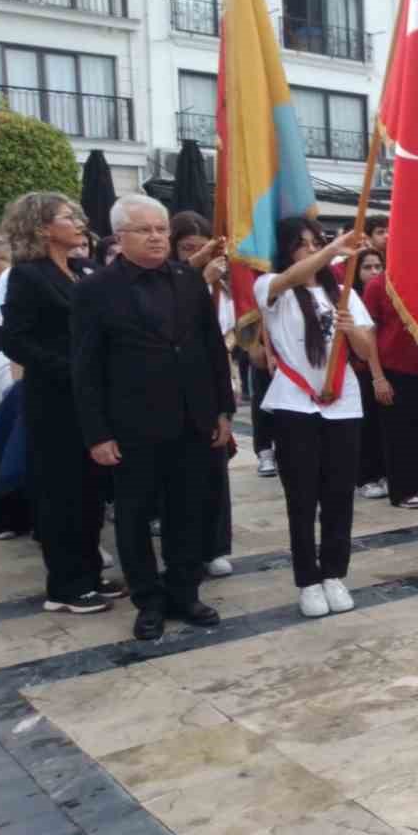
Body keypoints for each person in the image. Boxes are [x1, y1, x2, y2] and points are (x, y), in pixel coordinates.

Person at [71, 196, 235, 639]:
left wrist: (223, 409)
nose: (157, 237)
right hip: (132, 426)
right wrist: (97, 434)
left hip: (191, 420)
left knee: (188, 511)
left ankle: (185, 591)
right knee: (134, 516)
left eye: (161, 229)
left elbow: (211, 348)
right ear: (120, 237)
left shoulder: (188, 279)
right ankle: (148, 599)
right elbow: (85, 368)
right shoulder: (94, 289)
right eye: (145, 230)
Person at [0, 194, 116, 615]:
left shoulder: (83, 269)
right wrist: (69, 368)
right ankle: (66, 586)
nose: (80, 223)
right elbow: (13, 339)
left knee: (89, 491)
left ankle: (89, 572)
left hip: (90, 400)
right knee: (60, 493)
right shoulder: (28, 277)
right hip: (53, 401)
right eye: (69, 218)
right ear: (43, 227)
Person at [256, 218, 374, 618]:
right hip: (295, 406)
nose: (310, 250)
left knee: (339, 495)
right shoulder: (274, 287)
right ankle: (307, 579)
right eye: (301, 244)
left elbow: (366, 347)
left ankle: (334, 574)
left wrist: (350, 329)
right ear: (287, 251)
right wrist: (333, 250)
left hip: (343, 404)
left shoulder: (341, 293)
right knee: (302, 497)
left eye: (315, 243)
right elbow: (290, 278)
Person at [168, 212, 237, 579]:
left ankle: (216, 544)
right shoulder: (168, 283)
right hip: (174, 389)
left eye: (201, 248)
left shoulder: (225, 286)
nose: (194, 254)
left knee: (215, 465)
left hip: (215, 381)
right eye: (186, 249)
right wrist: (195, 283)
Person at [362, 244, 418, 510]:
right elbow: (368, 333)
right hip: (394, 370)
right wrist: (378, 377)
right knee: (399, 434)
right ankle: (404, 490)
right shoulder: (378, 286)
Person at [350, 248, 390, 499]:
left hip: (386, 368)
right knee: (365, 426)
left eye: (378, 266)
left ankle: (383, 471)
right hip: (359, 370)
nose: (374, 272)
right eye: (367, 267)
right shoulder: (350, 297)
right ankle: (365, 476)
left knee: (382, 425)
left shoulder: (385, 291)